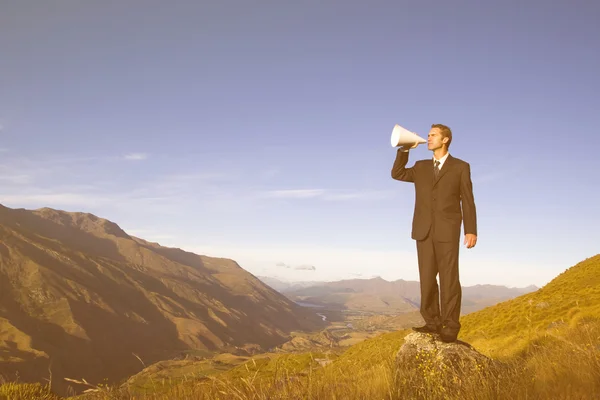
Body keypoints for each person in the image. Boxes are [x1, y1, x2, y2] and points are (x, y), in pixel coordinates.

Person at [391, 123, 477, 343]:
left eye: (433, 135)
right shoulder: (420, 167)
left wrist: (471, 230)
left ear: (445, 139)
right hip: (423, 230)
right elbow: (397, 173)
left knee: (449, 280)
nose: (428, 138)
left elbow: (467, 200)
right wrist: (406, 148)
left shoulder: (460, 167)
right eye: (427, 136)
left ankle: (450, 326)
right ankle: (432, 322)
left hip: (448, 231)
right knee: (427, 279)